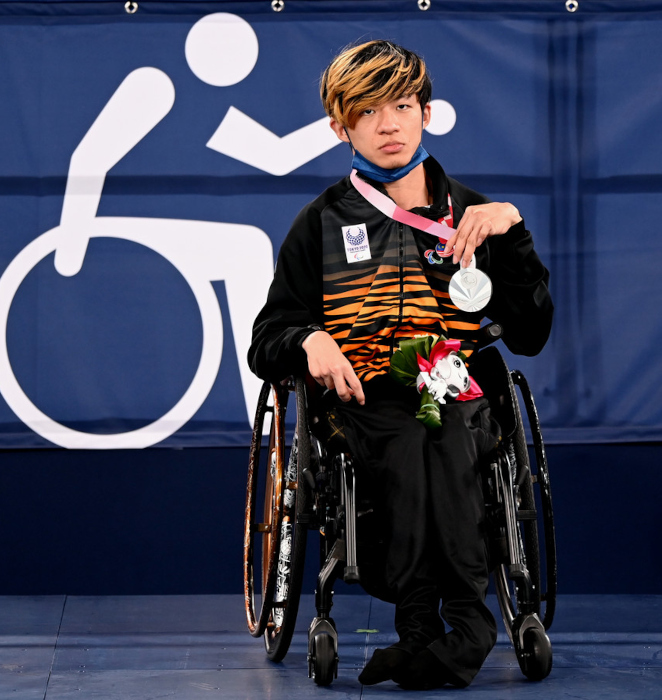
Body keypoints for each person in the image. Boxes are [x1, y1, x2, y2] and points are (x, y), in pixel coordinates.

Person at [248, 40, 553, 689]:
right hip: (367, 389)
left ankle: (454, 626)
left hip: (445, 369)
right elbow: (266, 336)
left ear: (426, 112)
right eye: (367, 111)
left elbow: (531, 334)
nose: (388, 124)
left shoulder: (476, 216)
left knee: (450, 418)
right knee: (417, 430)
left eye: (402, 105)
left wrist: (515, 230)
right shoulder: (321, 223)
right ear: (341, 126)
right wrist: (308, 339)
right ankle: (431, 627)